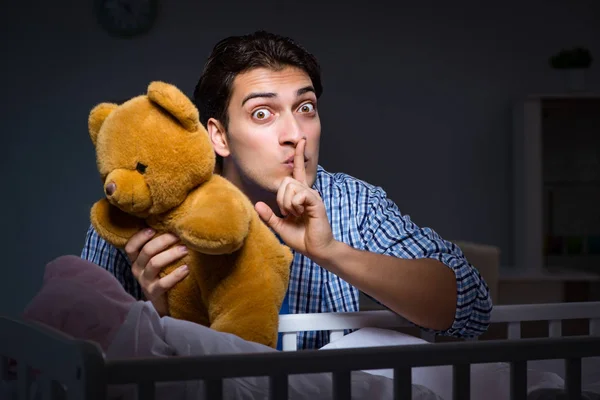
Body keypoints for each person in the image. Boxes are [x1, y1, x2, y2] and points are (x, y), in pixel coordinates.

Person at [82, 30, 492, 350]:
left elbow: (472, 308)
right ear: (219, 137)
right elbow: (75, 350)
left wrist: (330, 251)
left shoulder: (353, 202)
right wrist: (150, 313)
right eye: (263, 113)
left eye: (305, 108)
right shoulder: (145, 210)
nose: (295, 135)